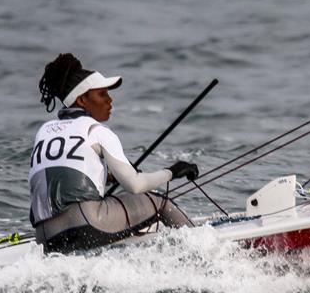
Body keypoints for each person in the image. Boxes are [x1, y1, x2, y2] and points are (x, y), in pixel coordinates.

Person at [29, 53, 198, 253]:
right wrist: (172, 172)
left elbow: (61, 176)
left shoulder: (44, 131)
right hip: (86, 224)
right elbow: (135, 185)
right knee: (160, 203)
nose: (110, 101)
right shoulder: (96, 130)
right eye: (102, 94)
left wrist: (108, 177)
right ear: (82, 99)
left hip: (46, 238)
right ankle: (204, 247)